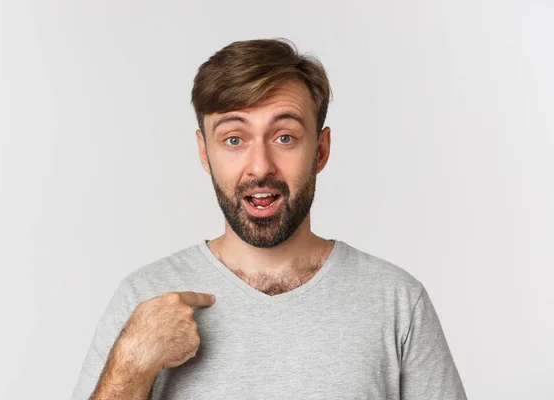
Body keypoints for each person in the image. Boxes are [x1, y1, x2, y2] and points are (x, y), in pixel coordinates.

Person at [71, 38, 467, 399]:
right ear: (204, 153)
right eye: (233, 139)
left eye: (284, 137)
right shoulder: (145, 296)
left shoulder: (396, 301)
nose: (260, 166)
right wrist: (132, 366)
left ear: (321, 150)